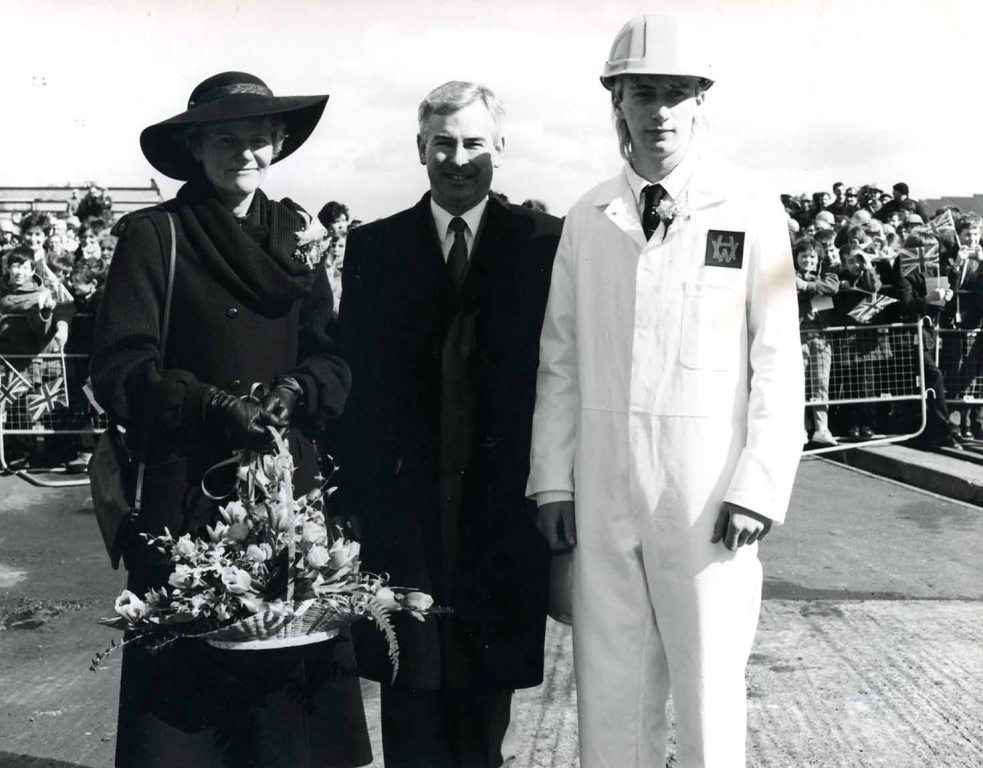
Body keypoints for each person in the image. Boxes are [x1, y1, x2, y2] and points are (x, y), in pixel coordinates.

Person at [527, 16, 803, 768]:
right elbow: (561, 358)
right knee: (610, 691)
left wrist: (758, 483)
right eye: (641, 92)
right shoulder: (586, 218)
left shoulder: (748, 207)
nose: (658, 112)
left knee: (709, 688)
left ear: (700, 101)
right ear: (615, 100)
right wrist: (552, 481)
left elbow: (779, 355)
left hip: (709, 491)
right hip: (605, 485)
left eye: (675, 93)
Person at [90, 71, 371, 768]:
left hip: (282, 492)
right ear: (194, 147)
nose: (243, 153)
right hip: (188, 495)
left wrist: (298, 391)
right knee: (187, 717)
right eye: (225, 139)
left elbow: (333, 359)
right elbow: (120, 367)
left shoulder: (298, 236)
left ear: (278, 143)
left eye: (256, 138)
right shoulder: (157, 236)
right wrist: (213, 404)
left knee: (286, 713)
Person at [335, 80, 561, 768]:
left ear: (499, 147)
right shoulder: (375, 247)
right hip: (406, 502)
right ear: (419, 148)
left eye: (471, 143)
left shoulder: (541, 242)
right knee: (410, 679)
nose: (456, 159)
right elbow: (357, 380)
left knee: (486, 690)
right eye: (442, 144)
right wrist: (351, 498)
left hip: (500, 501)